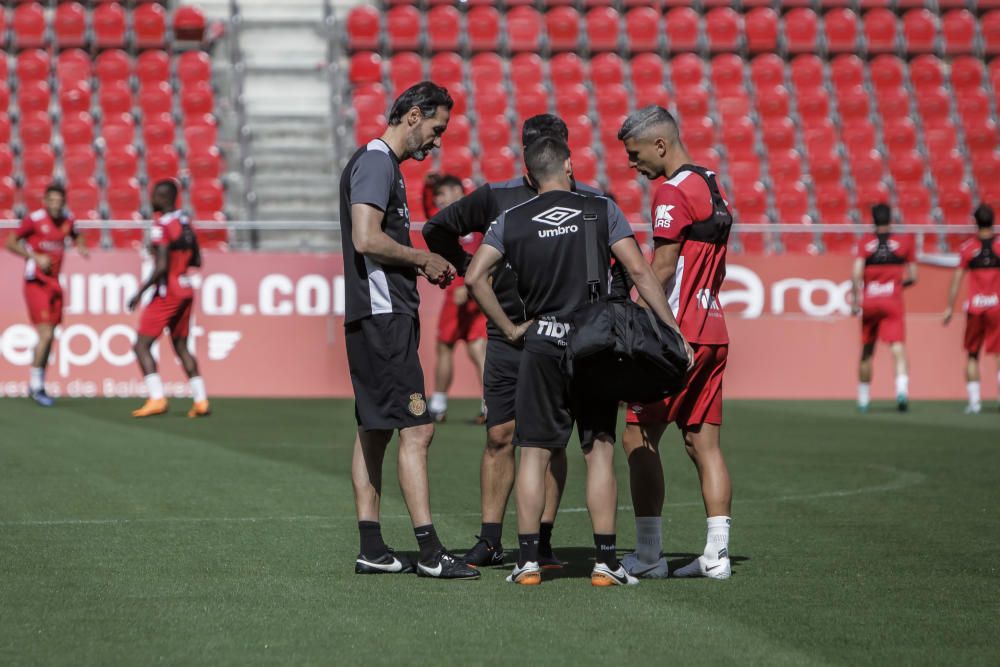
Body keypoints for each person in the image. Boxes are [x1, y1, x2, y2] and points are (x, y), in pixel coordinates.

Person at [466, 136, 689, 586]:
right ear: (569, 166)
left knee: (533, 453)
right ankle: (606, 563)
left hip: (541, 340)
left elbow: (474, 277)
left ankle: (528, 562)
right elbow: (642, 273)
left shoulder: (510, 219)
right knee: (599, 451)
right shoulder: (599, 208)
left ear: (529, 176)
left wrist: (510, 330)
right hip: (593, 341)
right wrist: (670, 328)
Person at [423, 114, 602, 568]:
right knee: (500, 434)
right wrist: (470, 269)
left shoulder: (590, 202)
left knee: (551, 442)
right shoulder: (496, 197)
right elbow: (436, 230)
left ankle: (541, 540)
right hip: (509, 333)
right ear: (525, 158)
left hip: (564, 337)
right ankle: (490, 540)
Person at [340, 81, 478, 580]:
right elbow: (365, 237)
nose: (437, 142)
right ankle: (430, 552)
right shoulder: (377, 161)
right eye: (436, 129)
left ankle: (372, 548)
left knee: (374, 430)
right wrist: (421, 257)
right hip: (383, 316)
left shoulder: (382, 164)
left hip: (376, 315)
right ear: (414, 116)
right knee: (417, 428)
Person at [616, 106, 735, 580]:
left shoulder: (671, 191)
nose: (631, 164)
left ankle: (647, 557)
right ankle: (717, 555)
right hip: (714, 328)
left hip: (674, 337)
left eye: (635, 153)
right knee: (703, 442)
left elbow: (660, 269)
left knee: (636, 435)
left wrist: (626, 311)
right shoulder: (710, 182)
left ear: (660, 145)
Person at [126, 180, 210, 419]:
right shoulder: (185, 223)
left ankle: (156, 398)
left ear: (164, 198)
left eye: (155, 195)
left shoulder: (160, 226)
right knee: (182, 346)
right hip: (186, 288)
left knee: (141, 345)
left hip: (168, 292)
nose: (151, 199)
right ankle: (201, 401)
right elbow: (197, 261)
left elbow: (161, 266)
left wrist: (140, 293)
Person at [5, 183, 89, 407]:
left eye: (59, 201)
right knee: (46, 333)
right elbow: (10, 242)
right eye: (51, 200)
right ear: (44, 201)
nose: (55, 204)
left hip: (54, 284)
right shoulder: (34, 219)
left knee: (50, 335)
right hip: (36, 283)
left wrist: (81, 246)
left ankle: (36, 382)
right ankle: (36, 387)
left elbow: (75, 234)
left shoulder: (67, 220)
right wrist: (34, 257)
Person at [424, 175, 488, 424]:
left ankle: (486, 405)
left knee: (476, 349)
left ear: (456, 191)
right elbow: (428, 207)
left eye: (441, 194)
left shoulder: (471, 216)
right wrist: (429, 186)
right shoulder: (450, 215)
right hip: (462, 292)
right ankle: (440, 406)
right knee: (452, 348)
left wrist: (467, 287)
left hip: (468, 291)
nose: (438, 200)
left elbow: (478, 254)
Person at [851, 204, 918, 413]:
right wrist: (897, 286)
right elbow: (914, 276)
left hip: (870, 301)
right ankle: (901, 391)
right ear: (891, 219)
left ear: (872, 220)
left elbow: (856, 273)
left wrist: (855, 299)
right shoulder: (904, 243)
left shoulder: (865, 243)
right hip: (892, 302)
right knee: (897, 347)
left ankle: (863, 400)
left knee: (867, 350)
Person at [944, 204, 1000, 414]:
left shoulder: (968, 248)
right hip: (996, 306)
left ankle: (975, 403)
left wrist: (949, 307)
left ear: (975, 222)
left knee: (972, 354)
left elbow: (957, 280)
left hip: (976, 307)